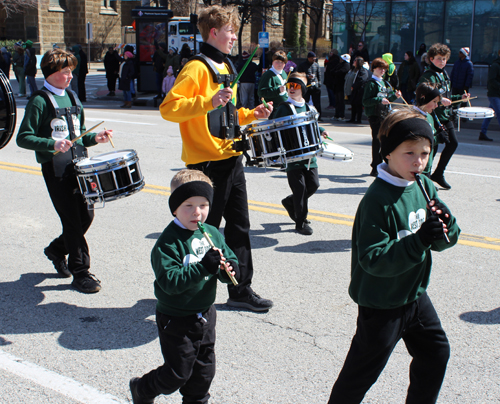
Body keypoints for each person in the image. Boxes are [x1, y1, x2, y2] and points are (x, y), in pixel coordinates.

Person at [327, 109, 460, 404]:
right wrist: (420, 240)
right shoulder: (377, 200)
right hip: (382, 303)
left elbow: (444, 242)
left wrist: (445, 226)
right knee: (360, 375)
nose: (419, 161)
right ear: (387, 153)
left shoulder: (423, 185)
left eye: (425, 153)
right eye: (409, 152)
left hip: (414, 295)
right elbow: (373, 260)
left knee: (436, 353)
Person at [160, 4, 274, 312]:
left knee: (240, 226)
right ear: (214, 32)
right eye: (230, 31)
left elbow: (227, 116)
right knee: (203, 230)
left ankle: (240, 288)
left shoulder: (226, 67)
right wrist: (207, 100)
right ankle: (191, 287)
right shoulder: (196, 68)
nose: (234, 37)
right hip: (207, 164)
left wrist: (253, 115)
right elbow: (169, 108)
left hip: (231, 158)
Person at [129, 169, 239, 404]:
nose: (197, 212)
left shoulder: (211, 233)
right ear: (175, 208)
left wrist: (229, 269)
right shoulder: (167, 243)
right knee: (177, 374)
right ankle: (143, 388)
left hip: (206, 313)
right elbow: (169, 282)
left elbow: (227, 258)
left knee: (204, 371)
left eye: (203, 204)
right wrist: (203, 267)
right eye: (188, 205)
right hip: (176, 317)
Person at [16, 48, 113, 294]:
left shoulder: (71, 96)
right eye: (66, 72)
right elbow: (23, 138)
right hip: (56, 170)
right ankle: (81, 272)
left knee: (86, 217)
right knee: (71, 220)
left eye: (71, 71)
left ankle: (57, 250)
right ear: (51, 73)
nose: (71, 76)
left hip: (80, 166)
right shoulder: (39, 100)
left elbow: (77, 135)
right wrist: (52, 144)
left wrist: (96, 138)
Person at [278, 72, 329, 235]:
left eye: (296, 86)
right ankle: (300, 222)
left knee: (313, 185)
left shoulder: (309, 107)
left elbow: (312, 124)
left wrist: (321, 130)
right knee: (300, 189)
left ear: (303, 89)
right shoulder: (283, 107)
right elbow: (274, 126)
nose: (291, 89)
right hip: (293, 155)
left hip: (309, 155)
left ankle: (289, 202)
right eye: (289, 85)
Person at [417, 43, 470, 190]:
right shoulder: (428, 76)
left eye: (445, 59)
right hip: (433, 115)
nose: (442, 61)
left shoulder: (444, 74)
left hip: (445, 116)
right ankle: (424, 178)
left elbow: (447, 96)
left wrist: (461, 97)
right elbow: (422, 95)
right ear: (431, 59)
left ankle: (438, 173)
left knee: (453, 143)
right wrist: (439, 101)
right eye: (439, 59)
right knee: (432, 147)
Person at [362, 57, 402, 176]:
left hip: (384, 114)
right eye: (380, 69)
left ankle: (381, 164)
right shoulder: (371, 84)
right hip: (375, 115)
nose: (383, 71)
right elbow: (365, 101)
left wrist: (395, 96)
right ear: (373, 69)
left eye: (384, 69)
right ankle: (375, 165)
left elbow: (387, 99)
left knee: (384, 139)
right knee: (377, 141)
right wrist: (379, 100)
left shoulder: (384, 82)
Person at [413, 82, 442, 176]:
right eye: (434, 101)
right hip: (416, 166)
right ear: (424, 99)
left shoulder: (429, 117)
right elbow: (419, 142)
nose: (436, 106)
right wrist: (438, 139)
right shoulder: (416, 118)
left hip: (426, 165)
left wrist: (439, 134)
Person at [258, 50, 288, 118]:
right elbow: (261, 92)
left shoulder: (284, 73)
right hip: (274, 110)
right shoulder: (268, 75)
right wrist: (277, 90)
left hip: (284, 108)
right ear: (272, 62)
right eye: (277, 62)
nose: (280, 64)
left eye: (282, 62)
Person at [479, 49, 500, 141]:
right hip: (494, 94)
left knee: (489, 114)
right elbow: (491, 80)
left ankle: (482, 133)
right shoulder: (496, 65)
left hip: (497, 94)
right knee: (499, 113)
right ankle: (482, 133)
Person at [297, 51, 322, 121]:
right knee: (305, 101)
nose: (314, 60)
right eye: (312, 58)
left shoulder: (316, 65)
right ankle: (305, 116)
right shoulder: (302, 65)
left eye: (315, 58)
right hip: (306, 86)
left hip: (315, 86)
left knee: (317, 102)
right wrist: (308, 76)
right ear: (308, 58)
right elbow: (299, 74)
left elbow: (319, 75)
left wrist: (319, 83)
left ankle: (319, 117)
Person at [348, 56, 370, 123]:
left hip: (360, 91)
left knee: (358, 105)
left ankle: (358, 119)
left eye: (355, 61)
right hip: (355, 90)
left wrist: (354, 86)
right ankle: (352, 118)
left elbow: (362, 80)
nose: (354, 62)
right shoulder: (355, 70)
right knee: (353, 104)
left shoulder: (363, 70)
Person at [332, 53, 350, 121]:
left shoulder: (346, 65)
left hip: (342, 86)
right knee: (337, 101)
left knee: (341, 101)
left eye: (342, 58)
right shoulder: (339, 65)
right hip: (337, 85)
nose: (340, 59)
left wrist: (336, 72)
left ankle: (341, 115)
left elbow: (342, 72)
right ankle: (337, 115)